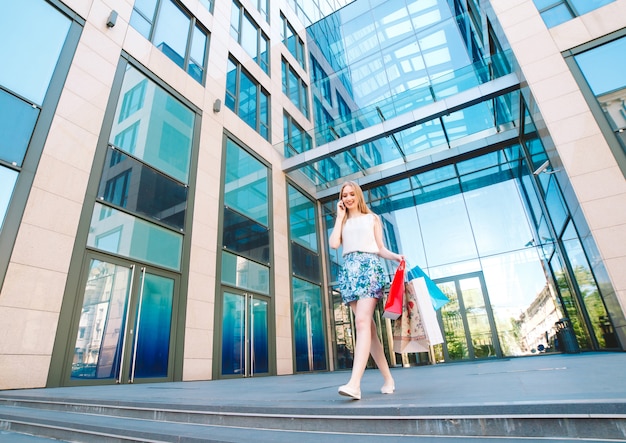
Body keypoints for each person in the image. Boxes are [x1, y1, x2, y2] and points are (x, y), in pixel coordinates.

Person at [329, 181, 403, 400]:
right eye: (345, 195)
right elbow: (334, 244)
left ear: (358, 195)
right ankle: (388, 378)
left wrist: (396, 257)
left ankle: (355, 384)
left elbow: (379, 248)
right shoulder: (342, 221)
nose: (348, 198)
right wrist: (339, 217)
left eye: (352, 194)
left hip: (369, 268)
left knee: (361, 323)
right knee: (368, 330)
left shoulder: (373, 218)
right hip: (349, 270)